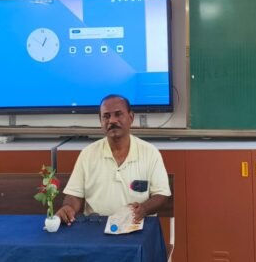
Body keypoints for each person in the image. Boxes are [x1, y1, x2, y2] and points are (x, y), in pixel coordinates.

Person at [57, 94, 171, 225]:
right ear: (101, 122)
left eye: (118, 114)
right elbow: (74, 195)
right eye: (106, 116)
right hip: (95, 227)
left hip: (137, 225)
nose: (112, 120)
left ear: (131, 117)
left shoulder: (150, 153)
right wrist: (68, 207)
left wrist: (144, 208)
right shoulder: (87, 154)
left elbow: (161, 195)